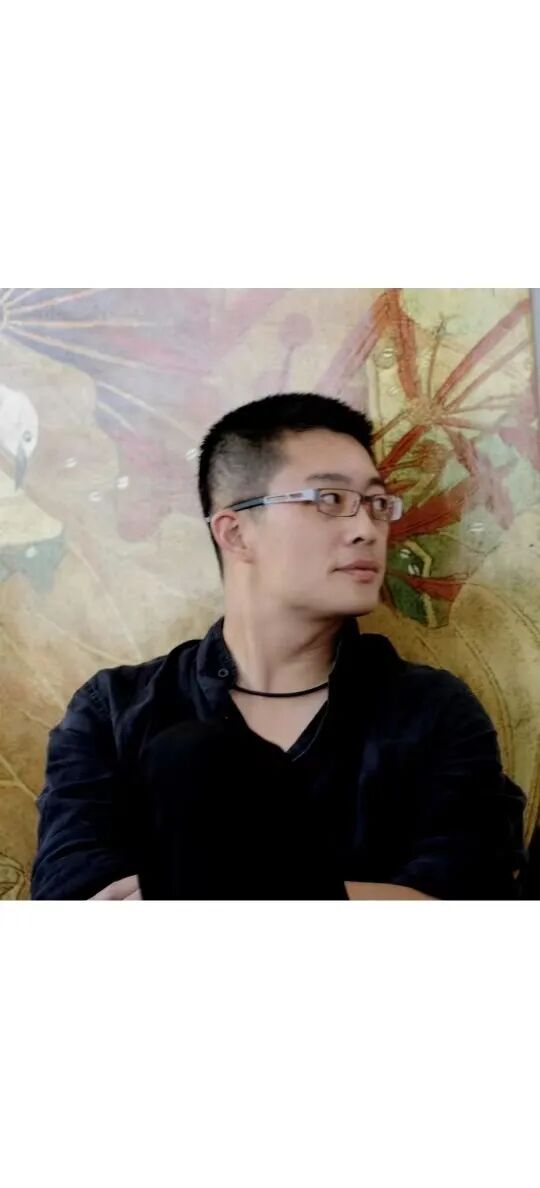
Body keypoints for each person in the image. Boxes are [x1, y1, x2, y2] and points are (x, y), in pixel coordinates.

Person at [31, 393, 526, 900]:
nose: (367, 530)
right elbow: (74, 902)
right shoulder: (114, 711)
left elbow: (469, 900)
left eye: (377, 504)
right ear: (236, 532)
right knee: (191, 760)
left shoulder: (432, 710)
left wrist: (197, 890)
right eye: (330, 500)